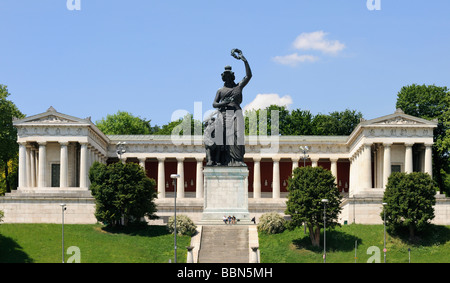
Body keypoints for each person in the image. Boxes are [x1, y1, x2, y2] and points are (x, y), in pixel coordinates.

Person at [212, 49, 252, 167]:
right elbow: (214, 104)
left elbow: (249, 76)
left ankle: (237, 160)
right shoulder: (220, 90)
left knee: (237, 135)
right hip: (224, 115)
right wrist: (224, 104)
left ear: (232, 77)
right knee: (223, 137)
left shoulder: (238, 86)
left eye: (230, 76)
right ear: (224, 78)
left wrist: (244, 60)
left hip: (236, 114)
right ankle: (223, 160)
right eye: (226, 76)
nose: (228, 78)